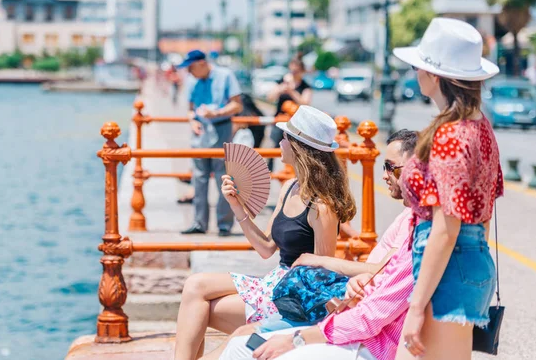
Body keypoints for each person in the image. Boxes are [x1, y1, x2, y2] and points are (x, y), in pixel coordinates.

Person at [201, 129, 419, 360]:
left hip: (316, 310)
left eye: (390, 167)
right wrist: (237, 206)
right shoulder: (409, 219)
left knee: (242, 343)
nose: (384, 175)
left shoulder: (321, 206)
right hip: (304, 297)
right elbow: (381, 275)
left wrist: (297, 338)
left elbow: (360, 307)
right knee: (216, 312)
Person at [174, 106, 357, 360]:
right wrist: (236, 205)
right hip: (271, 281)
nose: (279, 142)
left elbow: (321, 274)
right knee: (195, 286)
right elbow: (266, 248)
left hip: (290, 296)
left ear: (298, 148)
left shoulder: (321, 207)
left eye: (285, 138)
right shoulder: (290, 186)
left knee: (198, 311)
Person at [392, 18, 503, 359]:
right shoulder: (480, 128)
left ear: (435, 76)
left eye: (418, 66)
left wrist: (415, 307)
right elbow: (482, 214)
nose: (415, 72)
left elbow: (445, 228)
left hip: (446, 266)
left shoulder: (449, 135)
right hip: (470, 260)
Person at [177, 50, 244, 237]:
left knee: (223, 178)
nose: (189, 72)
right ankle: (199, 223)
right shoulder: (192, 81)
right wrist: (193, 120)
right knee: (199, 179)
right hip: (201, 131)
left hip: (221, 127)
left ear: (201, 63)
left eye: (191, 67)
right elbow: (190, 109)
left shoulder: (225, 76)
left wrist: (217, 113)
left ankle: (224, 224)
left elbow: (237, 104)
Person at [267, 55, 313, 171]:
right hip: (279, 120)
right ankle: (272, 171)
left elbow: (305, 103)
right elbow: (270, 97)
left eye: (296, 71)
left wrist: (291, 92)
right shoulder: (282, 82)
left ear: (301, 71)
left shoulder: (305, 86)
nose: (293, 73)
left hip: (296, 123)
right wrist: (281, 88)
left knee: (296, 148)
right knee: (274, 147)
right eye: (292, 70)